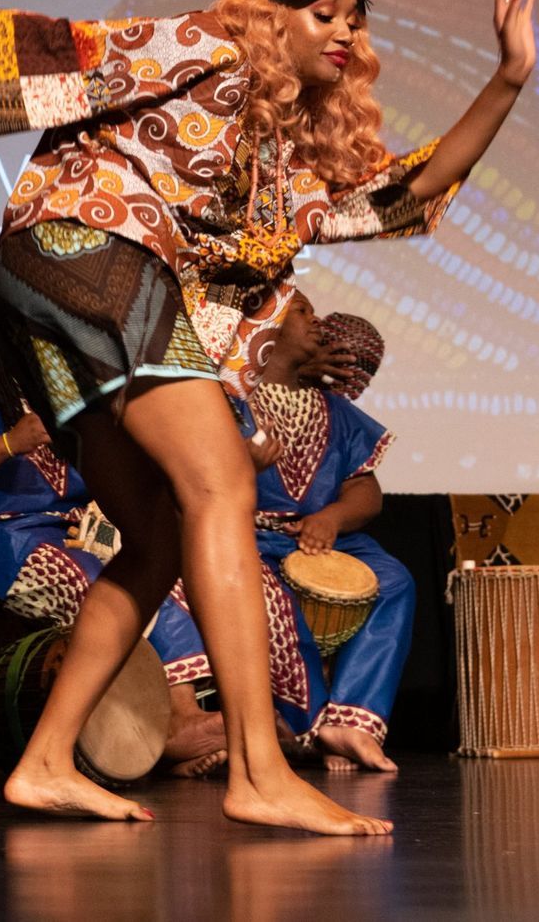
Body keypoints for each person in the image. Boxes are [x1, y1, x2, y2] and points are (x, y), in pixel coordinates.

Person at [0, 0, 535, 832]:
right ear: (267, 12)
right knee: (221, 484)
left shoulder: (284, 177)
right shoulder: (212, 42)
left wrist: (509, 78)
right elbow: (58, 45)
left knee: (157, 539)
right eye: (322, 11)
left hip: (49, 293)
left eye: (352, 21)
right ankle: (258, 770)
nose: (344, 31)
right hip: (85, 248)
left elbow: (408, 190)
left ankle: (45, 760)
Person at [0, 356, 228, 770]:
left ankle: (177, 718)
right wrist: (9, 444)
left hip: (61, 530)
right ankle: (129, 741)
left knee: (161, 570)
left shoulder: (62, 389)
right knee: (86, 581)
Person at [153, 299, 414, 773]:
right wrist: (242, 467)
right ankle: (303, 728)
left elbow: (366, 491)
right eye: (301, 311)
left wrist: (332, 517)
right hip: (244, 534)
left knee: (393, 580)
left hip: (322, 537)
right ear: (264, 328)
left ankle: (351, 722)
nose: (316, 320)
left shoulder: (335, 410)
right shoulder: (226, 402)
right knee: (269, 595)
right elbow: (190, 479)